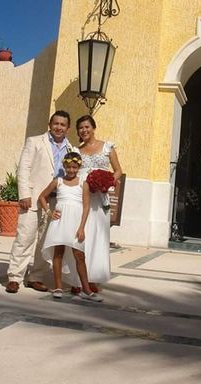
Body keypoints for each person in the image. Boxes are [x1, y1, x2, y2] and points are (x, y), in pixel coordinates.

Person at [5, 110, 75, 293]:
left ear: (67, 128)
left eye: (63, 125)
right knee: (24, 238)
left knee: (46, 241)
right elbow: (24, 168)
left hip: (56, 202)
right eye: (56, 123)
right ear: (50, 125)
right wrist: (24, 194)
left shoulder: (72, 149)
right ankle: (14, 277)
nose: (59, 127)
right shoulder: (35, 141)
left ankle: (36, 277)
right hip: (34, 198)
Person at [39, 152, 103, 302]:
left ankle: (86, 289)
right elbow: (42, 196)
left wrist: (81, 228)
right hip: (60, 222)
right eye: (68, 167)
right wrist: (49, 212)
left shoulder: (83, 183)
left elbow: (86, 207)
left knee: (79, 255)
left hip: (75, 222)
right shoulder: (58, 181)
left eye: (74, 167)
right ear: (64, 166)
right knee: (58, 252)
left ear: (78, 167)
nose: (71, 170)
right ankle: (58, 287)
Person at [76, 115, 123, 291]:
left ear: (93, 128)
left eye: (87, 127)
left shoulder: (107, 147)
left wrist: (106, 182)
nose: (84, 130)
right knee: (81, 235)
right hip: (81, 196)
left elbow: (118, 170)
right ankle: (77, 278)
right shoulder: (76, 150)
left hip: (100, 197)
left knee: (97, 236)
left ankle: (92, 277)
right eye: (80, 128)